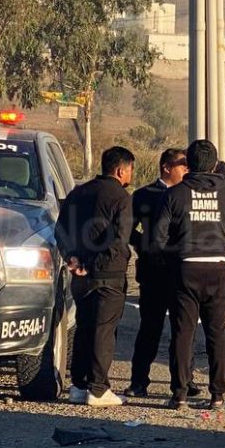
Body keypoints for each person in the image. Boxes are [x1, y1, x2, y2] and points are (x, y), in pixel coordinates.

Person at [152, 140, 225, 410]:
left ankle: (180, 394)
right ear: (215, 164)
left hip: (186, 268)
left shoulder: (174, 194)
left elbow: (158, 237)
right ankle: (218, 395)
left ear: (189, 164)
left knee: (183, 333)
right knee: (217, 333)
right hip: (218, 268)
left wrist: (175, 254)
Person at [54, 146, 134, 407]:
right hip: (108, 273)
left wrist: (73, 259)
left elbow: (60, 230)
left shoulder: (78, 192)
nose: (130, 174)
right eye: (130, 169)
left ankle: (78, 385)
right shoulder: (120, 197)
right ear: (121, 170)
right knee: (104, 330)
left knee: (85, 328)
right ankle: (98, 389)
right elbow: (119, 238)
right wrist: (95, 262)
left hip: (80, 273)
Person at [125, 148, 201, 399]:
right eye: (182, 165)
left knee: (183, 330)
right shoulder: (144, 195)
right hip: (153, 273)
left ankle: (184, 380)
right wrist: (144, 243)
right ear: (166, 167)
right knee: (150, 328)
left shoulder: (190, 195)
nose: (187, 170)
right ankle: (138, 381)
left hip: (183, 272)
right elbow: (126, 227)